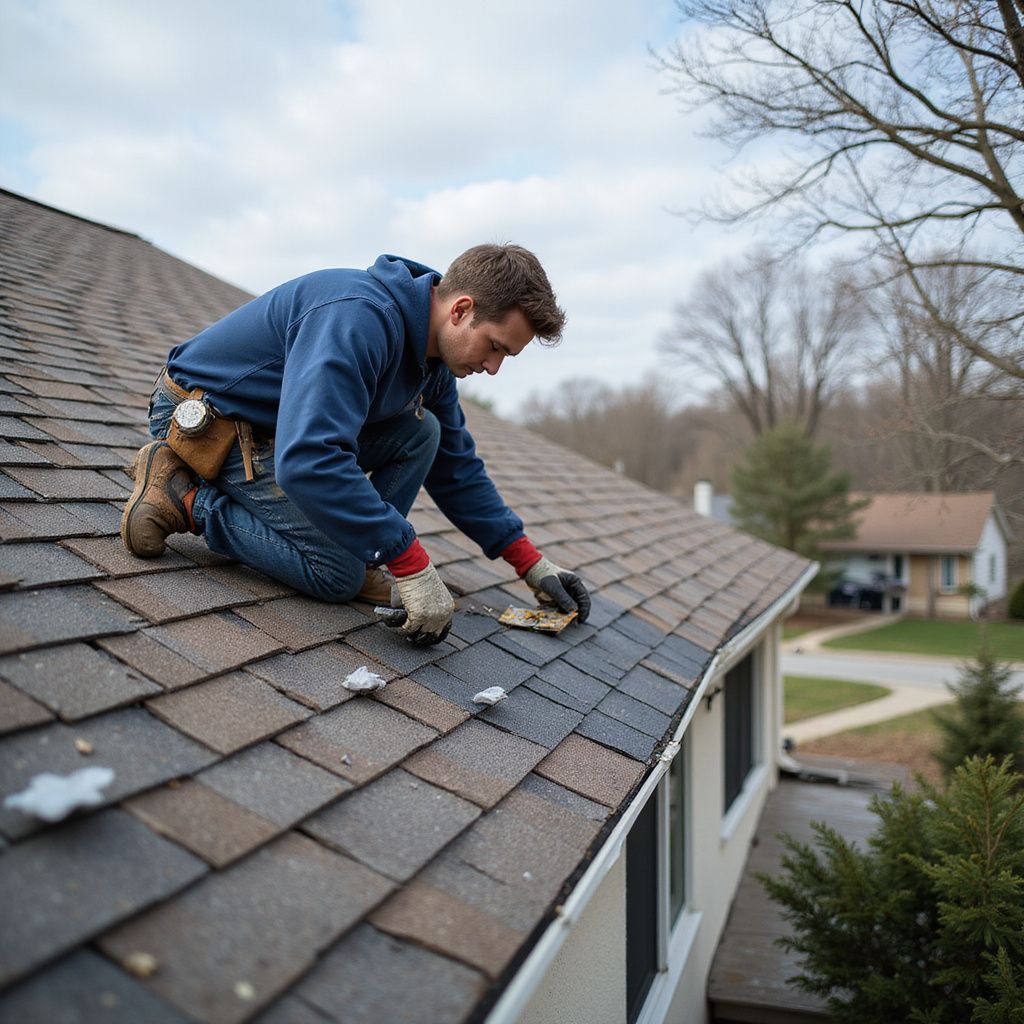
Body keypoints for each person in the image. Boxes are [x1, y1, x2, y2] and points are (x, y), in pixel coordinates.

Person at [120, 244, 590, 645]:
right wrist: (406, 557)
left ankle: (360, 546)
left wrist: (530, 563)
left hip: (280, 428)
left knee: (426, 432)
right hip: (210, 419)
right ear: (461, 310)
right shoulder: (358, 318)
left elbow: (456, 467)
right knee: (335, 575)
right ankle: (183, 496)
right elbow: (310, 458)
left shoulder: (434, 365)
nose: (493, 368)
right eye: (496, 347)